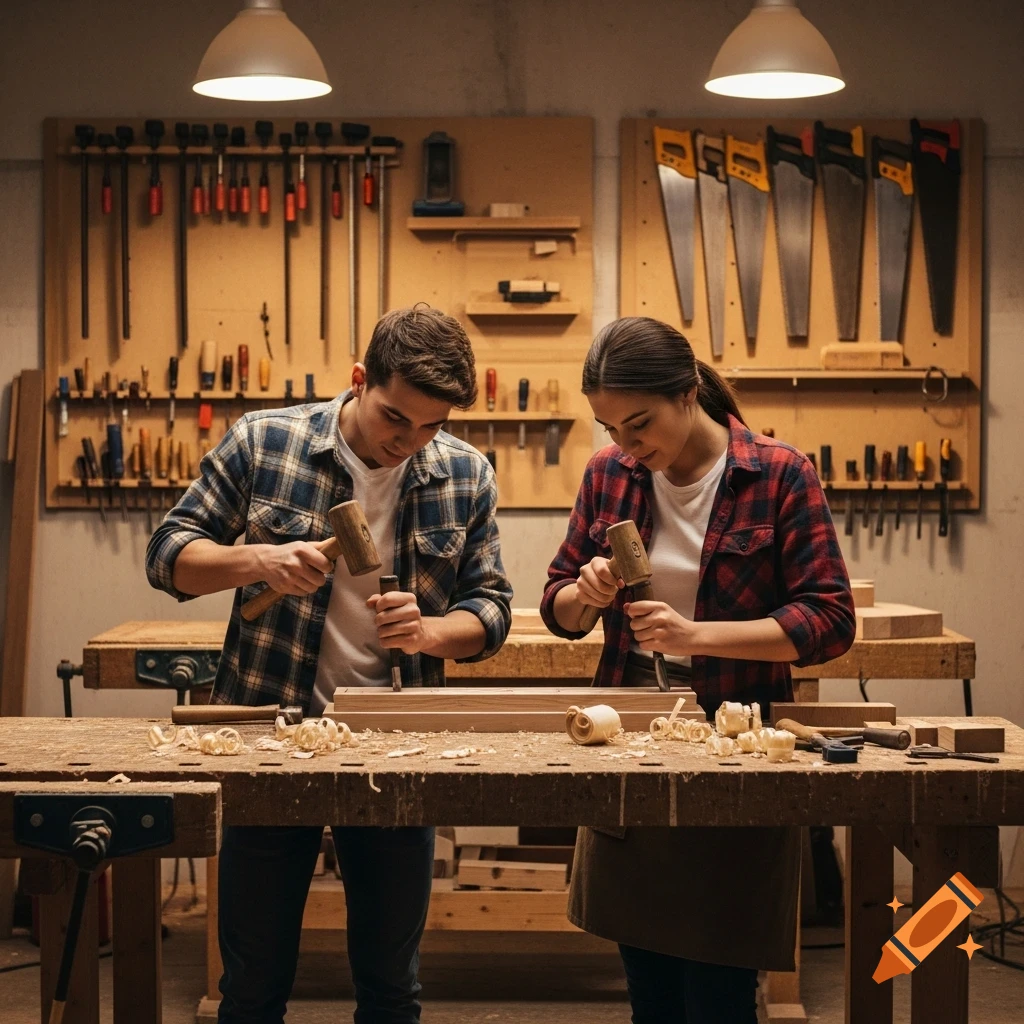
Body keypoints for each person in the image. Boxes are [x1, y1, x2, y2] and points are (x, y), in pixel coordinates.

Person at [147, 305, 512, 1024]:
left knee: (391, 986)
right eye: (395, 420)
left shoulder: (465, 473)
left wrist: (436, 634)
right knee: (250, 987)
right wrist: (260, 559)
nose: (410, 443)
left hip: (396, 742)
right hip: (270, 739)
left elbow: (492, 609)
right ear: (357, 381)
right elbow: (168, 557)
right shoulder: (265, 441)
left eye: (432, 426)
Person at [540, 316, 855, 1024]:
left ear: (688, 395)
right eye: (611, 428)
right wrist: (582, 596)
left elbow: (829, 621)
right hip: (631, 747)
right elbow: (557, 608)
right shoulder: (609, 477)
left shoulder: (778, 474)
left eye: (640, 424)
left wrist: (697, 635)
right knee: (648, 988)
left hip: (734, 749)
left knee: (716, 991)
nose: (627, 445)